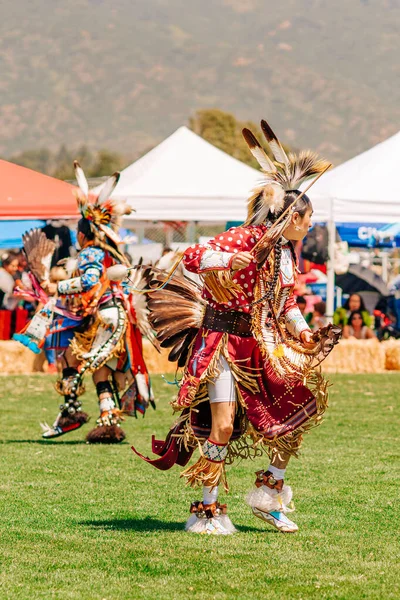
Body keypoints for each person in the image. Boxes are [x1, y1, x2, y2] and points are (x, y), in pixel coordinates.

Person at [133, 120, 340, 535]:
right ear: (291, 215)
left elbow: (286, 306)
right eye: (308, 218)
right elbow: (194, 256)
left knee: (295, 412)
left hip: (259, 344)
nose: (310, 226)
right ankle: (207, 510)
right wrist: (231, 262)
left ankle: (269, 493)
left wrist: (302, 331)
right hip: (223, 343)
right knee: (223, 425)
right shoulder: (244, 238)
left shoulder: (284, 256)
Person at [14, 163, 155, 443]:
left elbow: (90, 280)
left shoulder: (91, 252)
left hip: (107, 315)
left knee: (73, 359)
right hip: (116, 316)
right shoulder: (112, 252)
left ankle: (70, 412)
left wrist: (58, 287)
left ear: (81, 234)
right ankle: (108, 423)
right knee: (101, 369)